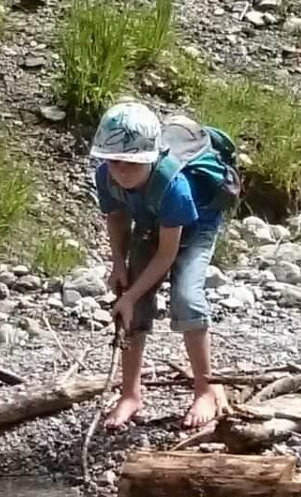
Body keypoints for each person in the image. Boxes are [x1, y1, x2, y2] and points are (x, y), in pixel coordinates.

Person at [90, 100, 228, 429]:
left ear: (150, 158)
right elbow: (116, 217)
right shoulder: (107, 176)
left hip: (196, 225)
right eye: (114, 161)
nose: (121, 170)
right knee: (132, 304)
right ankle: (130, 394)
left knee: (187, 297)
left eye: (132, 163)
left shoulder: (174, 186)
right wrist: (119, 265)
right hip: (151, 222)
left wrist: (130, 296)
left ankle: (205, 390)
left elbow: (166, 256)